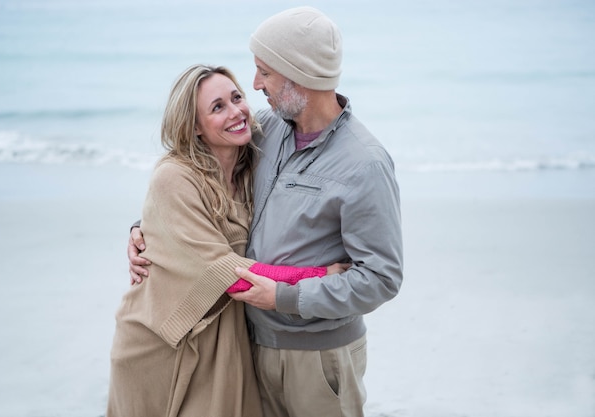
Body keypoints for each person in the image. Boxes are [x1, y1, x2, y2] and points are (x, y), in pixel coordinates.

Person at [129, 7, 403, 417]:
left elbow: (381, 278)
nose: (255, 85)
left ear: (299, 76)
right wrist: (146, 228)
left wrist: (285, 296)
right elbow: (199, 176)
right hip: (250, 345)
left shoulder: (365, 164)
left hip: (320, 359)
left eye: (265, 72)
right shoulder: (266, 129)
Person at [107, 64, 348, 417]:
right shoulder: (174, 176)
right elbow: (231, 274)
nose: (236, 112)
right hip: (164, 339)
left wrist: (142, 225)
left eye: (237, 98)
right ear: (193, 126)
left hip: (227, 334)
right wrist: (319, 275)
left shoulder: (255, 159)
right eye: (217, 107)